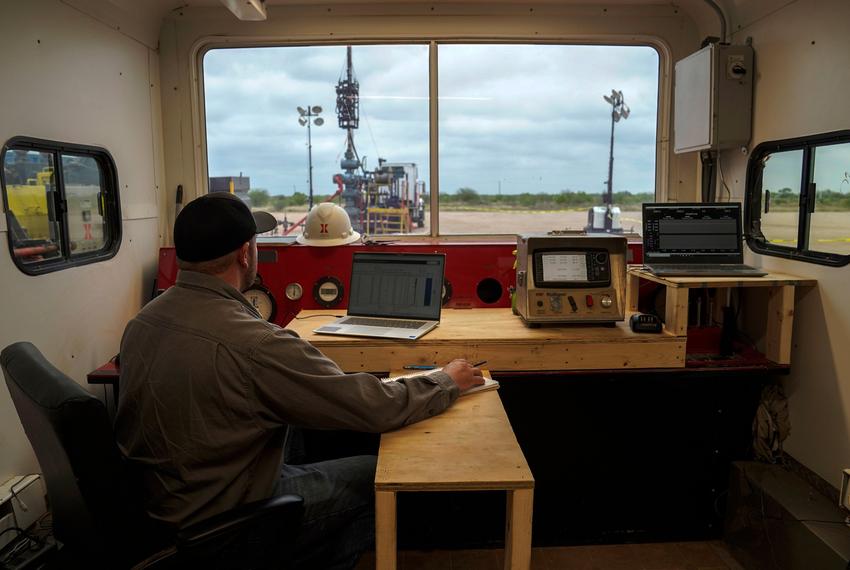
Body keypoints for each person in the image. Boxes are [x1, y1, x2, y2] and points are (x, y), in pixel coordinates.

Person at [114, 192, 484, 570]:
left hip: (161, 505)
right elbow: (376, 408)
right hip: (223, 518)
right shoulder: (257, 343)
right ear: (245, 253)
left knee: (297, 431)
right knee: (374, 476)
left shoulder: (141, 323)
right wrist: (446, 380)